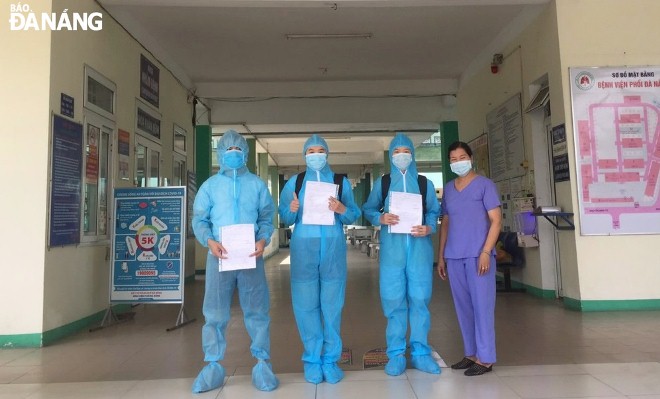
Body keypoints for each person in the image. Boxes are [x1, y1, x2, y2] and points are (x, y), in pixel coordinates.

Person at [191, 130, 279, 392]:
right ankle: (212, 366)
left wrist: (263, 240)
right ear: (220, 154)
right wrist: (209, 241)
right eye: (228, 150)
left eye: (237, 150)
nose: (233, 154)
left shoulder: (257, 185)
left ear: (246, 153)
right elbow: (199, 220)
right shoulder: (209, 187)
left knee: (257, 311)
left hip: (251, 256)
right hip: (220, 257)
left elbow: (266, 217)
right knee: (215, 312)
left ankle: (262, 364)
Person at [278, 134, 360, 384]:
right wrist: (290, 211)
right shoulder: (296, 181)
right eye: (310, 151)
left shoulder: (340, 182)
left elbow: (353, 213)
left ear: (327, 153)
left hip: (333, 250)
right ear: (304, 155)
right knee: (305, 306)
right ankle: (313, 359)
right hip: (303, 249)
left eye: (320, 150)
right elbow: (284, 215)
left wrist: (342, 209)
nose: (316, 155)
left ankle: (330, 359)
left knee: (332, 306)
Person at [362, 133, 441, 376]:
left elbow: (433, 212)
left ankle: (420, 353)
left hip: (419, 251)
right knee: (394, 302)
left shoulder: (425, 183)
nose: (401, 156)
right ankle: (395, 354)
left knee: (419, 301)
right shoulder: (383, 183)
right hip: (392, 254)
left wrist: (429, 227)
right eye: (396, 152)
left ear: (413, 154)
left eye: (405, 151)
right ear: (390, 156)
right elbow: (369, 208)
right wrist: (380, 218)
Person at [437, 141, 502, 376]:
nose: (458, 162)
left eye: (462, 157)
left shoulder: (485, 185)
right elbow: (446, 222)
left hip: (478, 256)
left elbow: (496, 220)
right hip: (454, 256)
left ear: (471, 158)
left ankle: (486, 359)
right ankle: (471, 354)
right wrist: (441, 256)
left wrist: (486, 250)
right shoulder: (449, 189)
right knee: (463, 307)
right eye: (453, 159)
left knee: (482, 307)